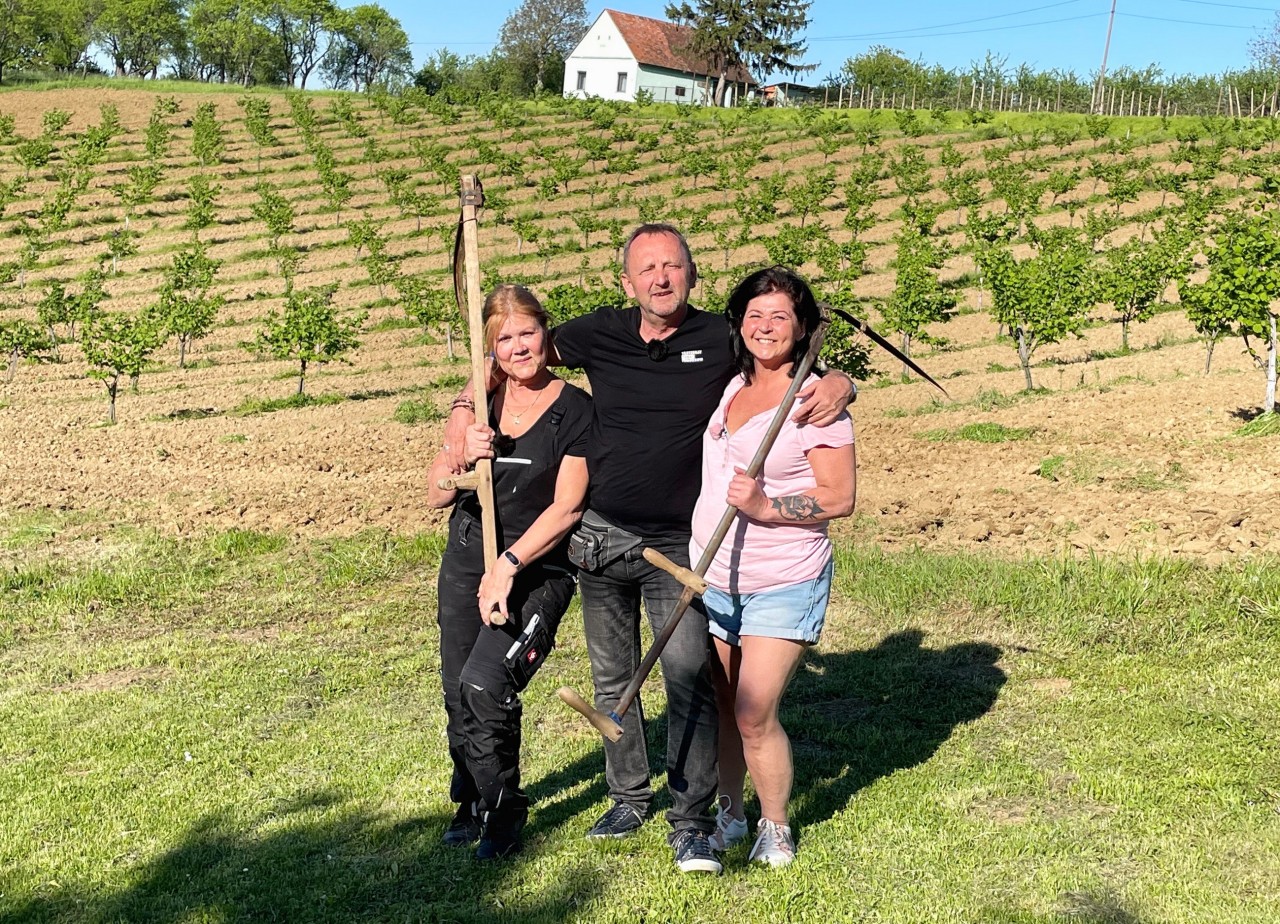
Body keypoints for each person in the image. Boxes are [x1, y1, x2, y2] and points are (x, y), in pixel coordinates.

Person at [444, 224, 855, 875]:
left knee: (686, 676)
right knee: (613, 677)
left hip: (678, 545)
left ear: (691, 275)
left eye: (673, 266)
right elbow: (509, 353)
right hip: (600, 537)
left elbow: (780, 354)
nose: (661, 278)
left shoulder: (718, 338)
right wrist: (469, 404)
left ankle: (691, 821)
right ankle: (628, 796)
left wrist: (838, 380)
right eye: (647, 269)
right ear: (626, 283)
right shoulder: (593, 333)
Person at [692, 267, 856, 868]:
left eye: (780, 316)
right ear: (738, 322)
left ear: (802, 326)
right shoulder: (731, 386)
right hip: (717, 576)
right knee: (725, 699)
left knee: (754, 711)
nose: (766, 327)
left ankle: (776, 826)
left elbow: (839, 497)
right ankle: (730, 815)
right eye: (755, 315)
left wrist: (765, 507)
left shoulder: (814, 402)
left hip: (784, 577)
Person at [427, 284, 592, 860]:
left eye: (528, 333)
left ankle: (504, 809)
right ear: (489, 348)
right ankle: (469, 799)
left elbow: (567, 506)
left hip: (535, 569)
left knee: (486, 684)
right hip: (467, 555)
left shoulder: (576, 409)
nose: (519, 347)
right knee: (456, 689)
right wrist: (458, 454)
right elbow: (434, 496)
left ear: (546, 333)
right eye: (504, 338)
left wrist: (509, 563)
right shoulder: (481, 405)